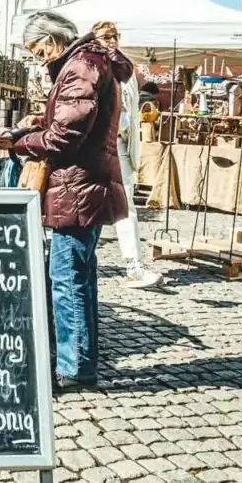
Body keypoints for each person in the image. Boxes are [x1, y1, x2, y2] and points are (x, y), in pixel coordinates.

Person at [0, 11, 130, 392]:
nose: (39, 59)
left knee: (67, 278)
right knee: (79, 277)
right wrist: (34, 126)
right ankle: (79, 362)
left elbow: (65, 136)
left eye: (38, 50)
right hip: (85, 184)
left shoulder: (81, 66)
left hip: (77, 186)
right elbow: (68, 121)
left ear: (53, 41)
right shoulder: (88, 63)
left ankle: (73, 368)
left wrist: (19, 141)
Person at [92, 21, 161, 289]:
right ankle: (83, 261)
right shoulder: (92, 66)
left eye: (114, 36)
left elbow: (128, 114)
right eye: (105, 36)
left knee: (126, 207)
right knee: (90, 205)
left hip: (120, 146)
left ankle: (133, 265)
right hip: (97, 146)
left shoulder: (126, 69)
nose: (110, 40)